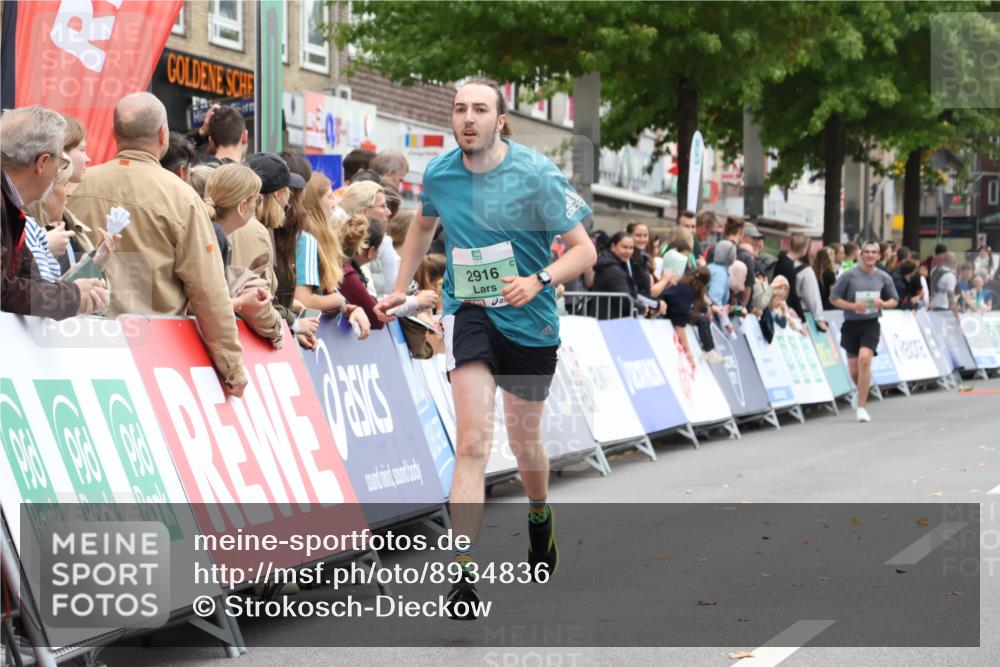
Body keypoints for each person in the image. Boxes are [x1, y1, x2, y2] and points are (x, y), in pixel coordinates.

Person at [374, 77, 597, 619]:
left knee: (525, 448)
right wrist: (402, 284)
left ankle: (540, 514)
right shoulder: (442, 174)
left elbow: (584, 250)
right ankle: (463, 569)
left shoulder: (536, 173)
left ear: (500, 119)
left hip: (531, 320)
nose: (467, 118)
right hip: (468, 312)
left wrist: (539, 278)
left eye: (479, 109)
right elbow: (422, 229)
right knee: (472, 442)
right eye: (459, 109)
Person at [67, 92, 247, 396]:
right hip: (154, 357)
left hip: (79, 348)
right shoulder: (182, 197)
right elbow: (208, 290)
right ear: (163, 134)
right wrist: (232, 367)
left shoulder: (74, 187)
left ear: (114, 134)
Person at [2, 106, 107, 318]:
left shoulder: (12, 206)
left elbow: (23, 282)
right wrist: (72, 295)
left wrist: (74, 290)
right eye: (60, 162)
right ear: (42, 163)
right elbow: (5, 290)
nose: (59, 173)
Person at [203, 163, 285, 349]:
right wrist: (241, 302)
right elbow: (204, 303)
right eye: (257, 200)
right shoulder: (214, 236)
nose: (257, 206)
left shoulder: (210, 232)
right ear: (242, 207)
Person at [829, 241, 899, 423]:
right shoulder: (848, 275)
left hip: (871, 323)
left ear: (878, 256)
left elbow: (894, 300)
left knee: (865, 360)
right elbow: (834, 298)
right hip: (851, 324)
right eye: (867, 252)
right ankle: (860, 390)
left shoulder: (884, 277)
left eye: (873, 252)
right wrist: (853, 306)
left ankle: (862, 407)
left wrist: (883, 304)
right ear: (861, 254)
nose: (870, 255)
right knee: (854, 369)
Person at [294, 173, 371, 338]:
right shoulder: (306, 240)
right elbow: (305, 300)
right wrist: (339, 300)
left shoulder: (319, 241)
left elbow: (324, 295)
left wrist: (352, 308)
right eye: (329, 196)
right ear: (314, 203)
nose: (334, 203)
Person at [340, 180, 399, 296]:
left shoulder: (383, 241)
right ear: (364, 212)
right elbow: (373, 300)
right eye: (383, 206)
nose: (388, 212)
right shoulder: (353, 250)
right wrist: (415, 302)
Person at [660, 266, 723, 364]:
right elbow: (679, 325)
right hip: (667, 314)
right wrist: (688, 352)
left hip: (673, 311)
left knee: (703, 319)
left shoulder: (686, 286)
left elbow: (694, 303)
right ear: (704, 284)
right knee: (702, 320)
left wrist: (707, 308)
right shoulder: (687, 291)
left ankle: (710, 349)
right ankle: (709, 350)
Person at [590, 231, 639, 319]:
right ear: (613, 247)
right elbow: (625, 300)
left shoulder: (615, 264)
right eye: (624, 247)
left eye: (631, 248)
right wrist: (642, 307)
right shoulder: (612, 268)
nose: (628, 251)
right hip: (611, 320)